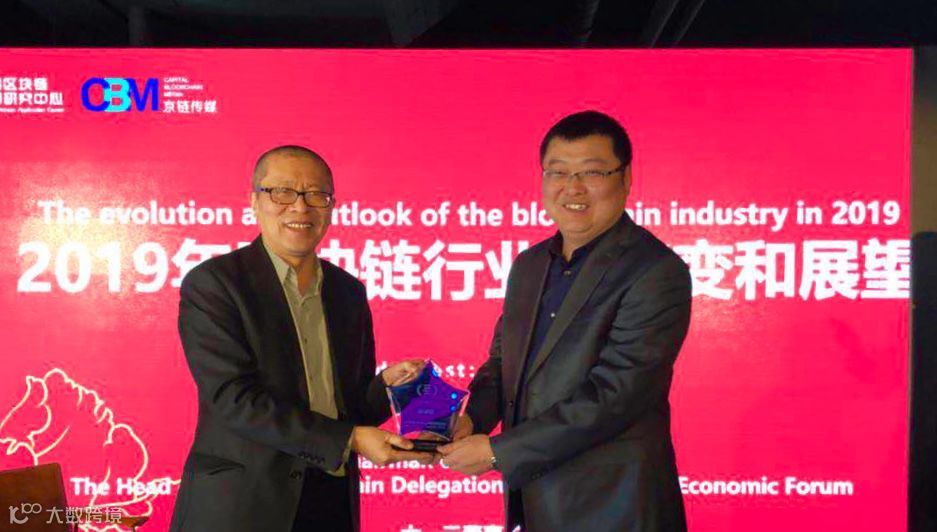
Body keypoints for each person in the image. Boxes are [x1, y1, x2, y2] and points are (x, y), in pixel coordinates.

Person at [439, 111, 692, 531]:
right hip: (538, 501)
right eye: (557, 172)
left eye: (592, 172)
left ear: (626, 178)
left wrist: (500, 452)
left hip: (616, 506)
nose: (572, 188)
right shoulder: (529, 265)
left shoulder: (654, 271)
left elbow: (615, 394)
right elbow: (503, 365)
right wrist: (470, 421)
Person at [170, 145, 427, 532]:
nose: (301, 207)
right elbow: (233, 399)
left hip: (329, 498)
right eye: (283, 192)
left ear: (332, 206)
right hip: (243, 503)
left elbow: (352, 409)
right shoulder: (216, 284)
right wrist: (349, 440)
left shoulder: (347, 291)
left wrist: (387, 386)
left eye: (316, 194)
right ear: (255, 202)